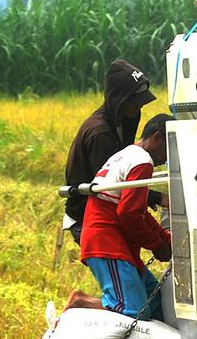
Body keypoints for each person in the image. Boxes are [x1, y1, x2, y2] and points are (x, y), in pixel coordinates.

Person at [65, 114, 174, 321]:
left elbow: (138, 211)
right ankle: (81, 304)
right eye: (169, 149)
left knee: (156, 303)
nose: (167, 159)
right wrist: (156, 244)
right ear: (158, 138)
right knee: (133, 312)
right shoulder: (143, 162)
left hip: (118, 245)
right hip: (107, 243)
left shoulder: (128, 154)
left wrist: (163, 236)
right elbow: (128, 214)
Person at [63, 59, 164, 245]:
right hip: (88, 215)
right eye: (134, 103)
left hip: (108, 209)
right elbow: (113, 186)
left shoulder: (123, 120)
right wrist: (159, 198)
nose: (138, 108)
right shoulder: (100, 133)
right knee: (118, 266)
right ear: (119, 99)